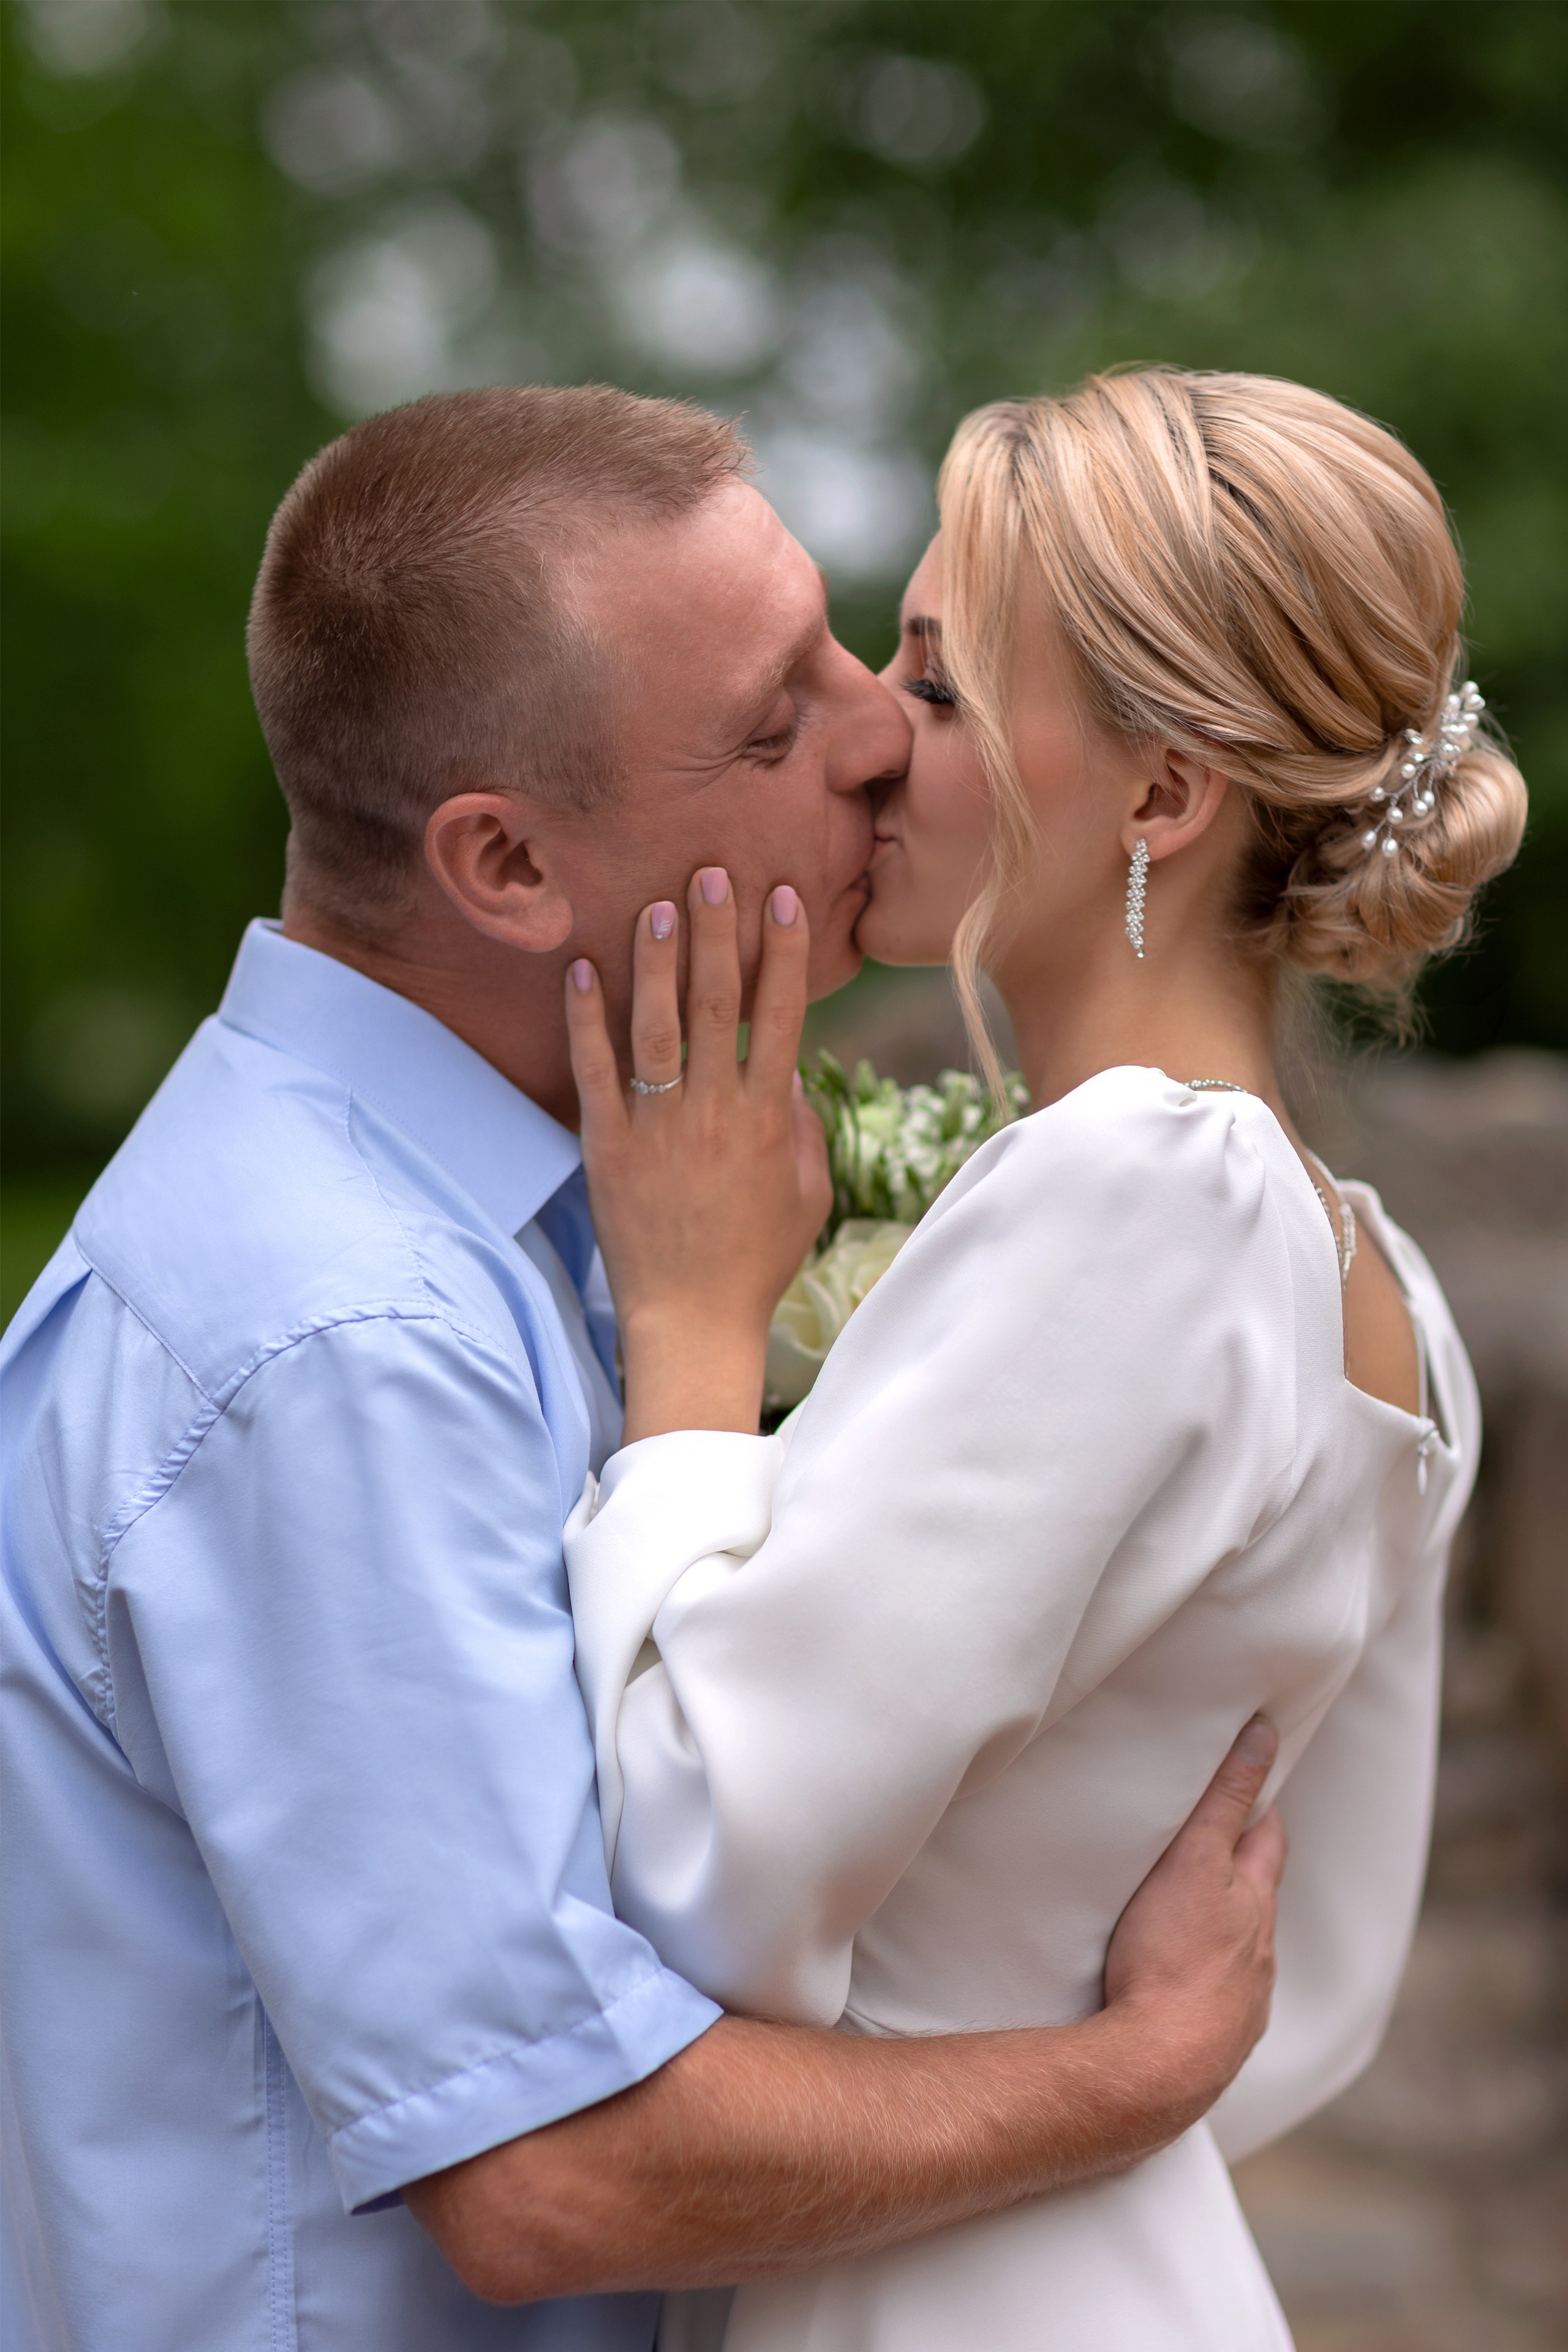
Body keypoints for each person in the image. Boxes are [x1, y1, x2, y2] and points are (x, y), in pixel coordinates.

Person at [0, 386, 1288, 2352]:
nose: (879, 736)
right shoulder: (339, 1340)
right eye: (778, 719)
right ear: (507, 864)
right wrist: (1134, 2073)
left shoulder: (538, 1213)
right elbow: (553, 2169)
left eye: (857, 644)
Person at [560, 370, 1528, 2349]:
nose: (866, 752)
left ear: (1163, 794)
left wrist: (687, 1331)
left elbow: (704, 1857)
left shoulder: (1133, 1198)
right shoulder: (1390, 1298)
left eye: (933, 690)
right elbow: (1309, 1992)